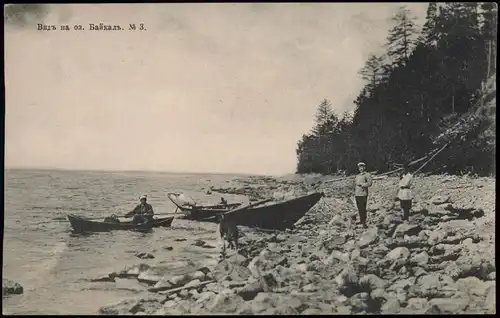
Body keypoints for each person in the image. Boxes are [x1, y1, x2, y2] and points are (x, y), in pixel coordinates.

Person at [354, 162, 373, 228]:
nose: (360, 169)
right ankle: (361, 220)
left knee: (363, 208)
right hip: (357, 194)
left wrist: (362, 184)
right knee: (359, 208)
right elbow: (356, 184)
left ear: (364, 167)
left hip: (363, 194)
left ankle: (364, 222)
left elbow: (370, 183)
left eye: (362, 167)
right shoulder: (357, 175)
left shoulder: (367, 174)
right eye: (359, 167)